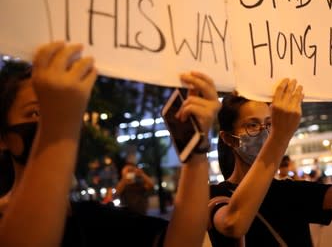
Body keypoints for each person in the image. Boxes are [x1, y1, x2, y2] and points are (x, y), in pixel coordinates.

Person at [0, 42, 220, 247]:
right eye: (36, 111)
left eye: (58, 107)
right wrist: (59, 124)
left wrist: (196, 155)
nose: (52, 117)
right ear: (3, 137)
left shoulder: (93, 220)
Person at [208, 80, 332, 246]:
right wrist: (279, 136)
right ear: (228, 139)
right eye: (252, 125)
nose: (264, 133)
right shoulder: (216, 195)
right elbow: (233, 223)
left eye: (269, 124)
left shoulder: (290, 192)